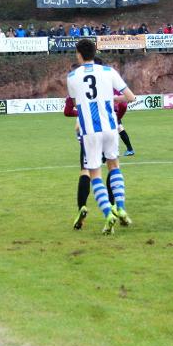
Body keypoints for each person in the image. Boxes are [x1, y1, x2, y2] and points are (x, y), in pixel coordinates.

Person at [66, 39, 136, 234]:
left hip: (90, 131)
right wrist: (113, 98)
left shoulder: (72, 77)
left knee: (94, 173)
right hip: (111, 127)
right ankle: (120, 207)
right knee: (114, 166)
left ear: (78, 54)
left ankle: (108, 214)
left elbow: (74, 103)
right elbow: (131, 97)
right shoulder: (109, 71)